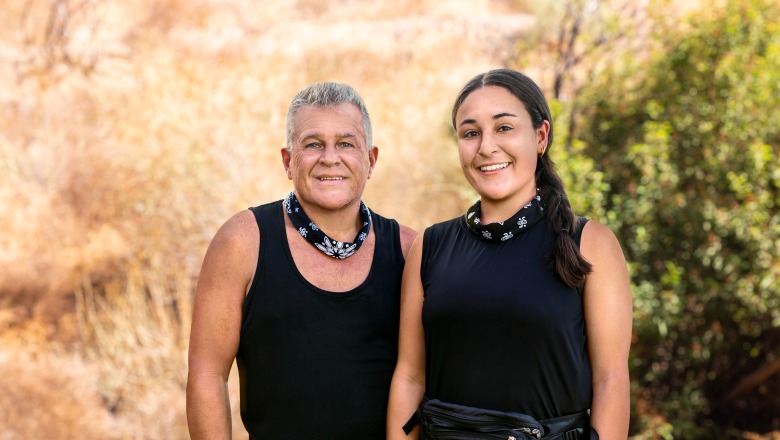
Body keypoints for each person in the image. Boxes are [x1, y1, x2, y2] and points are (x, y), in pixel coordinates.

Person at [387, 69, 632, 439]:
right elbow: (409, 376)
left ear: (540, 136)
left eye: (504, 128)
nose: (486, 147)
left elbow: (611, 381)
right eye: (471, 133)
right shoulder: (429, 247)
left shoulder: (591, 243)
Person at [186, 81, 416, 439]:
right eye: (312, 144)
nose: (329, 158)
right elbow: (207, 375)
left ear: (370, 160)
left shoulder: (408, 250)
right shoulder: (244, 241)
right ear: (288, 161)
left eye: (345, 143)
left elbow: (422, 379)